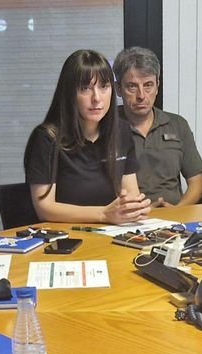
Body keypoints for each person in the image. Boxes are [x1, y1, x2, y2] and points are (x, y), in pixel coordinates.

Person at [24, 49, 151, 224]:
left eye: (103, 87)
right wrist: (104, 214)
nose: (97, 98)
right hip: (64, 239)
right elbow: (45, 208)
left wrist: (135, 208)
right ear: (69, 93)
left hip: (112, 234)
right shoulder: (47, 138)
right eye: (85, 88)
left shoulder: (121, 131)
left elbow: (130, 195)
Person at [112, 46, 202, 207]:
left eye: (148, 85)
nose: (141, 95)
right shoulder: (106, 127)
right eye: (132, 86)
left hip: (175, 219)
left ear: (157, 86)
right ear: (118, 89)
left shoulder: (177, 124)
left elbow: (197, 183)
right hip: (124, 217)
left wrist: (178, 211)